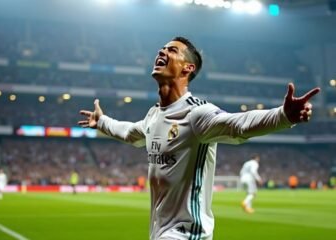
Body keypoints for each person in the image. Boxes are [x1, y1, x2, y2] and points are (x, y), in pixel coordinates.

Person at [78, 37, 320, 240]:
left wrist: (284, 115)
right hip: (160, 233)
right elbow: (131, 133)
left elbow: (238, 125)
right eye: (162, 48)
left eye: (172, 50)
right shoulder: (154, 115)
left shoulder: (196, 113)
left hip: (186, 234)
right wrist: (101, 122)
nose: (162, 51)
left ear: (187, 68)